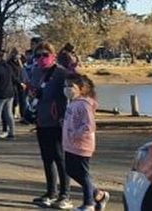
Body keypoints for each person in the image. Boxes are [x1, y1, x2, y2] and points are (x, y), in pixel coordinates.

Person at [29, 42, 72, 209]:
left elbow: (70, 94)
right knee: (47, 158)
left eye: (45, 55)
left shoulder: (61, 73)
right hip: (41, 120)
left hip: (57, 122)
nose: (41, 58)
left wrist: (64, 117)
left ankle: (65, 194)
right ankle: (51, 191)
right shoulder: (36, 72)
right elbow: (34, 91)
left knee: (60, 158)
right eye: (37, 55)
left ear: (53, 56)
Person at [63, 73, 110, 211]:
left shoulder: (84, 105)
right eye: (65, 86)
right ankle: (98, 194)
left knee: (83, 174)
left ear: (81, 88)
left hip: (82, 145)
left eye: (70, 86)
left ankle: (89, 203)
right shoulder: (73, 103)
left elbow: (89, 126)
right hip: (70, 145)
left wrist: (75, 134)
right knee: (71, 170)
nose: (67, 89)